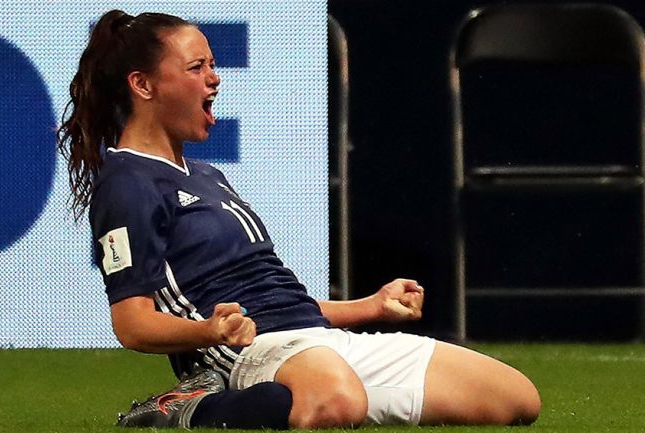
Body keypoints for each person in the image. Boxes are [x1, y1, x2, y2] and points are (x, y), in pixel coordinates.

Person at [57, 9, 542, 429]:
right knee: (336, 400)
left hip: (317, 345)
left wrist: (370, 307)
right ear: (142, 85)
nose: (214, 77)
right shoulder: (127, 183)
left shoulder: (207, 175)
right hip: (244, 354)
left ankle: (304, 401)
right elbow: (132, 323)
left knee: (516, 398)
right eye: (196, 67)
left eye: (212, 64)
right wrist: (209, 332)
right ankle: (188, 409)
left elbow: (279, 300)